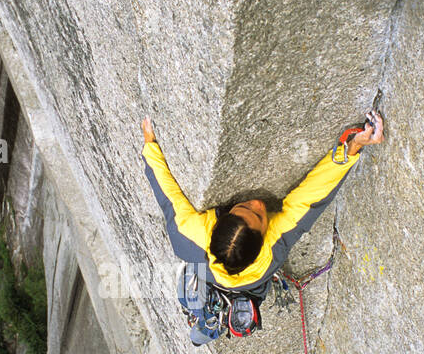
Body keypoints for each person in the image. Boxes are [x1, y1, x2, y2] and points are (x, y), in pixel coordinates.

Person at [141, 110, 384, 341]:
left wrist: (150, 144)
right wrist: (352, 148)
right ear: (263, 237)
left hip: (219, 274)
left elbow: (168, 197)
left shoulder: (187, 237)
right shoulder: (273, 247)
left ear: (219, 223)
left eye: (245, 208)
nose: (257, 203)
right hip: (252, 282)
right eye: (258, 215)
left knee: (207, 287)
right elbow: (310, 198)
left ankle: (208, 316)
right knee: (254, 292)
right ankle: (213, 313)